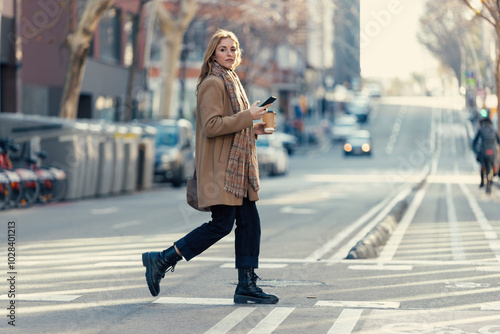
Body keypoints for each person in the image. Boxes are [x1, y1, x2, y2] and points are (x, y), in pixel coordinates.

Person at [142, 29, 278, 304]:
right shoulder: (212, 83)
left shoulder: (232, 80)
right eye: (223, 49)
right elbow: (213, 126)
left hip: (237, 168)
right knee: (221, 225)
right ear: (213, 53)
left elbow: (235, 127)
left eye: (233, 49)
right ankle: (162, 259)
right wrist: (247, 116)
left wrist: (255, 129)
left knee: (249, 222)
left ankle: (246, 284)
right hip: (222, 170)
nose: (230, 53)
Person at [472, 116, 500, 188]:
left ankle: (482, 182)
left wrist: (475, 147)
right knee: (494, 161)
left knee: (482, 165)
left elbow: (475, 141)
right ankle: (493, 174)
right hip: (493, 152)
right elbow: (498, 141)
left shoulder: (481, 130)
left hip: (484, 152)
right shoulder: (494, 131)